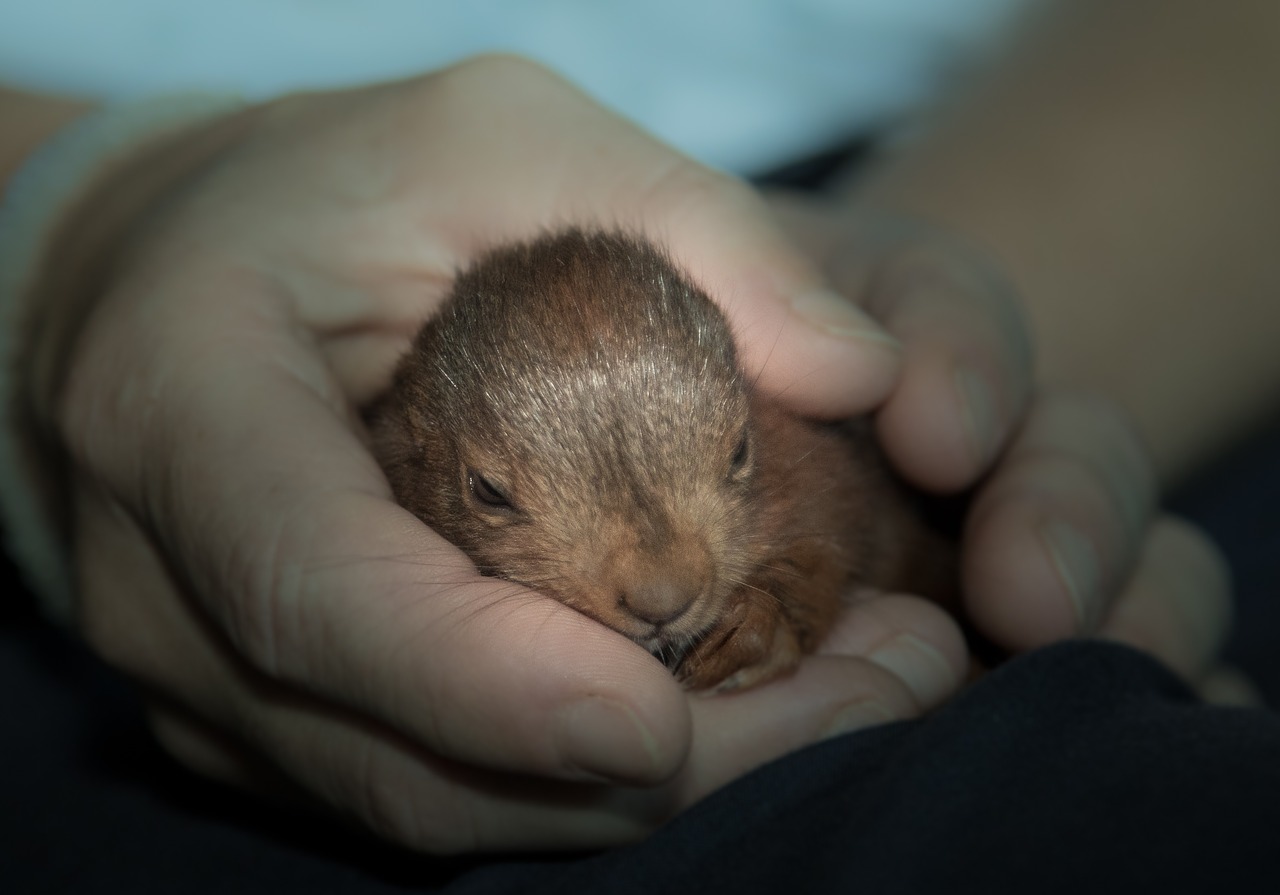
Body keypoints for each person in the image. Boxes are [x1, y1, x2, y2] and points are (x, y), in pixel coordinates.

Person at [1, 0, 1277, 887]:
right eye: (497, 496)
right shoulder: (390, 434)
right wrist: (76, 220)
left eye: (725, 463)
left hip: (998, 187)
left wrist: (948, 374)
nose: (661, 585)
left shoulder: (765, 399)